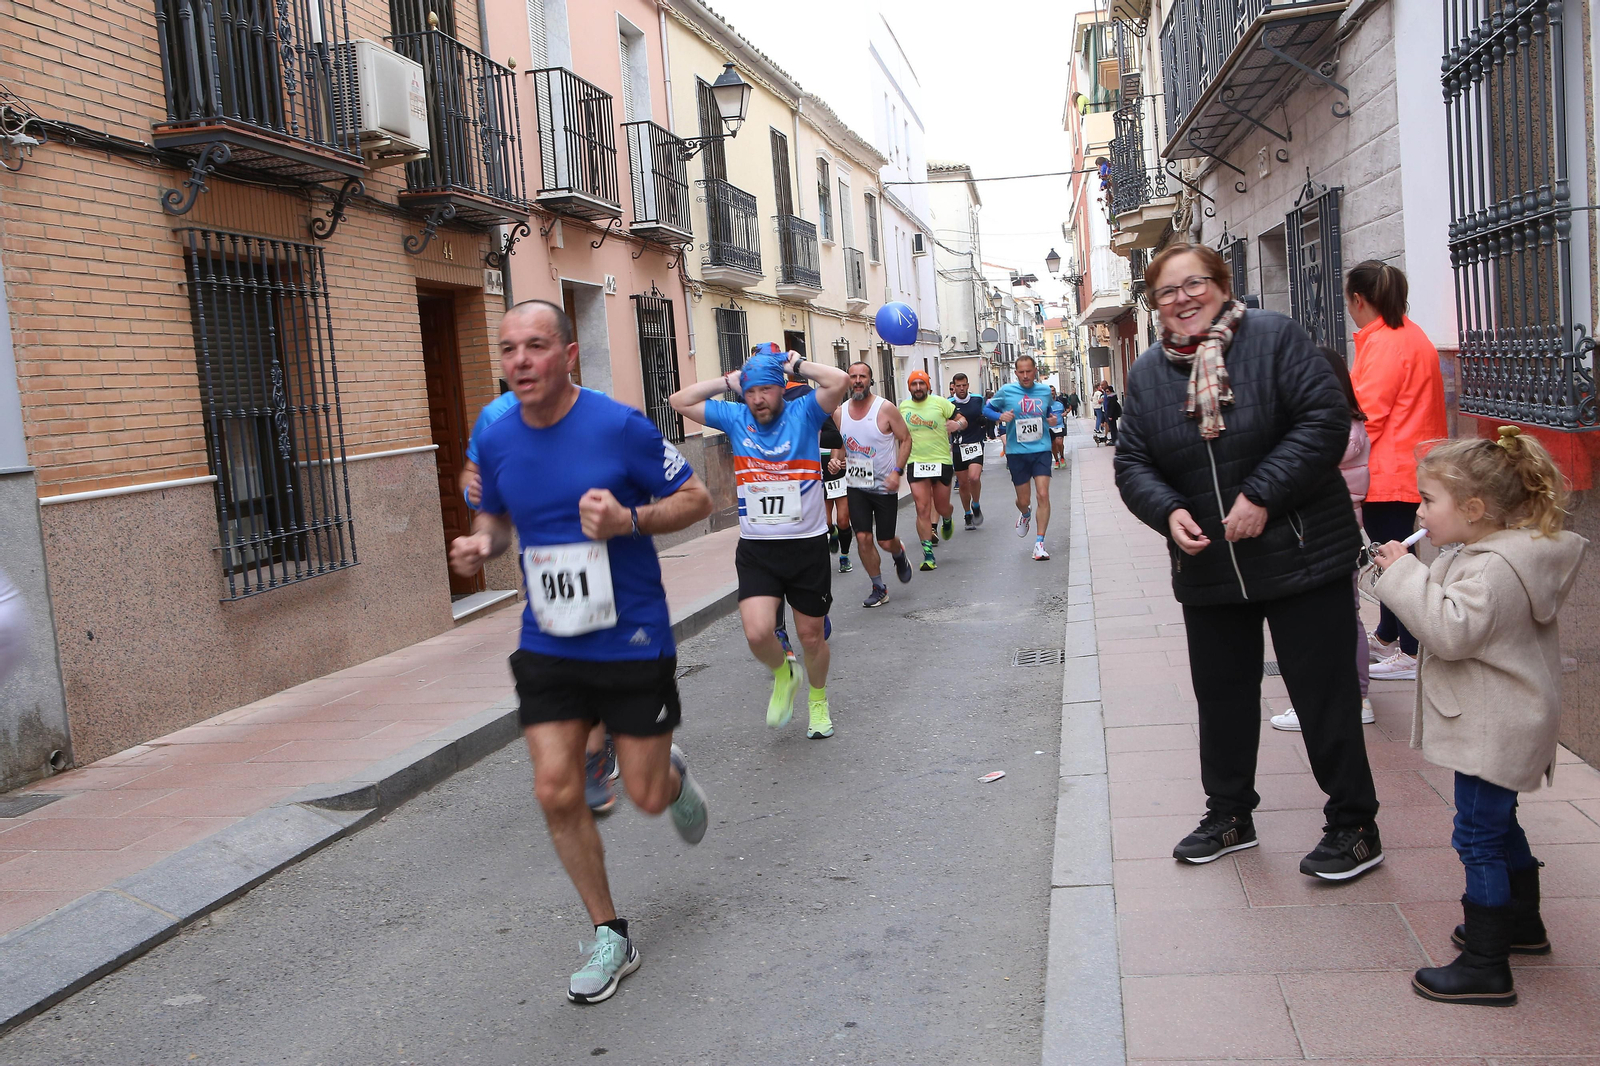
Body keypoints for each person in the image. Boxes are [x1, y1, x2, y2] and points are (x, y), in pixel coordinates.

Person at [448, 299, 714, 1004]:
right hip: (550, 637)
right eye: (509, 349)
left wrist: (629, 518)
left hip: (630, 637)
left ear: (569, 354)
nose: (520, 361)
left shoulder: (618, 425)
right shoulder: (496, 431)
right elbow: (497, 515)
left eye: (536, 346)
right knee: (553, 788)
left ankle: (669, 776)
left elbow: (698, 499)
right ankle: (610, 932)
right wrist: (483, 543)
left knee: (648, 796)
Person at [1114, 243, 1383, 880]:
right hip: (1208, 566)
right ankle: (1230, 813)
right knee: (1223, 697)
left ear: (1223, 285)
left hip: (1300, 552)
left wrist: (1263, 493)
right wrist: (1166, 511)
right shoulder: (1149, 371)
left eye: (1194, 284)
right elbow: (1132, 461)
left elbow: (1324, 421)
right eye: (1167, 291)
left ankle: (1354, 825)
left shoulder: (1274, 338)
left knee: (1324, 696)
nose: (1182, 299)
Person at [1372, 428, 1586, 1006]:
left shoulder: (1493, 570)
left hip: (1494, 725)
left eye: (1428, 500)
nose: (1419, 509)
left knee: (1477, 836)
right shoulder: (1498, 553)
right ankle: (1522, 925)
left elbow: (1448, 631)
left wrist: (1403, 575)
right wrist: (1416, 566)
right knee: (1500, 823)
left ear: (1473, 509)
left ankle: (1486, 963)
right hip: (1507, 720)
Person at [670, 348, 850, 740]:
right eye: (750, 392)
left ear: (782, 389)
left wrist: (796, 365)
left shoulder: (804, 413)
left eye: (766, 390)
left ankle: (817, 700)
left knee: (811, 637)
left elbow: (839, 380)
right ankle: (784, 674)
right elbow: (678, 401)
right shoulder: (736, 417)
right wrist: (726, 381)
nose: (758, 399)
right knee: (756, 633)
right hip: (758, 550)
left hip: (806, 546)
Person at [462, 389, 619, 814]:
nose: (525, 360)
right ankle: (595, 756)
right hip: (545, 564)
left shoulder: (591, 407)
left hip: (597, 555)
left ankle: (602, 751)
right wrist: (479, 517)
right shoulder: (494, 416)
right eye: (512, 349)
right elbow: (473, 477)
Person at [1348, 260, 1448, 682]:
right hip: (1407, 465)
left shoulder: (1386, 343)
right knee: (1393, 549)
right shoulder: (1405, 334)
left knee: (1391, 555)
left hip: (1389, 469)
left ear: (1358, 300)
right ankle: (1391, 635)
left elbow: (1368, 413)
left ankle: (1409, 647)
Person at [1271, 346, 1377, 731]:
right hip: (1336, 531)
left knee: (1327, 619)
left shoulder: (1335, 432)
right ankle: (1353, 696)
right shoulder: (1349, 425)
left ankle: (1348, 699)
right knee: (1341, 616)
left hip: (1327, 533)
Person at [829, 361, 913, 607]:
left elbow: (905, 439)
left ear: (870, 380)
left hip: (884, 485)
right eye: (853, 376)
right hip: (856, 485)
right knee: (863, 538)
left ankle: (899, 553)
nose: (857, 381)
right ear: (848, 382)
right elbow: (844, 443)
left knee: (885, 541)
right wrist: (836, 461)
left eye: (862, 376)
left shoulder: (885, 409)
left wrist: (898, 472)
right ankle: (878, 587)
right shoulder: (839, 412)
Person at [984, 355, 1063, 561]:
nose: (1026, 376)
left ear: (1035, 371)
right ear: (1016, 373)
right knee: (1023, 500)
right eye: (1021, 372)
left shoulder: (1045, 391)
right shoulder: (1006, 392)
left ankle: (1039, 543)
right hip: (1017, 452)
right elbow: (986, 409)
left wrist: (1053, 419)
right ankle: (1026, 514)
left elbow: (1048, 411)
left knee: (1043, 495)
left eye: (1029, 371)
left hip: (1041, 449)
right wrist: (999, 417)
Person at [900, 369, 966, 571]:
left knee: (942, 505)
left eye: (921, 384)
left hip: (941, 461)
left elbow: (963, 420)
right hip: (916, 463)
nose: (918, 388)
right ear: (909, 387)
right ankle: (928, 554)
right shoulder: (903, 407)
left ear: (928, 386)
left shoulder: (940, 403)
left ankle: (947, 517)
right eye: (914, 384)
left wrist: (957, 424)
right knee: (922, 508)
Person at [948, 373, 990, 530]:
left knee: (974, 477)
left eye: (964, 385)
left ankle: (976, 504)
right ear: (954, 387)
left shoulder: (978, 399)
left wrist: (985, 421)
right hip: (959, 446)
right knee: (963, 483)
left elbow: (986, 413)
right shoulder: (949, 403)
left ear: (968, 385)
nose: (961, 389)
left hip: (976, 444)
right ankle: (967, 514)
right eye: (958, 386)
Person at [1049, 385, 1067, 468]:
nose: (1051, 392)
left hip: (1060, 425)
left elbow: (1066, 409)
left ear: (1055, 392)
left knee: (1059, 442)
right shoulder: (1045, 403)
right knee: (1053, 445)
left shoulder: (1060, 401)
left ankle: (1062, 457)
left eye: (1053, 390)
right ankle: (1056, 460)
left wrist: (1065, 413)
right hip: (1049, 427)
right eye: (1050, 391)